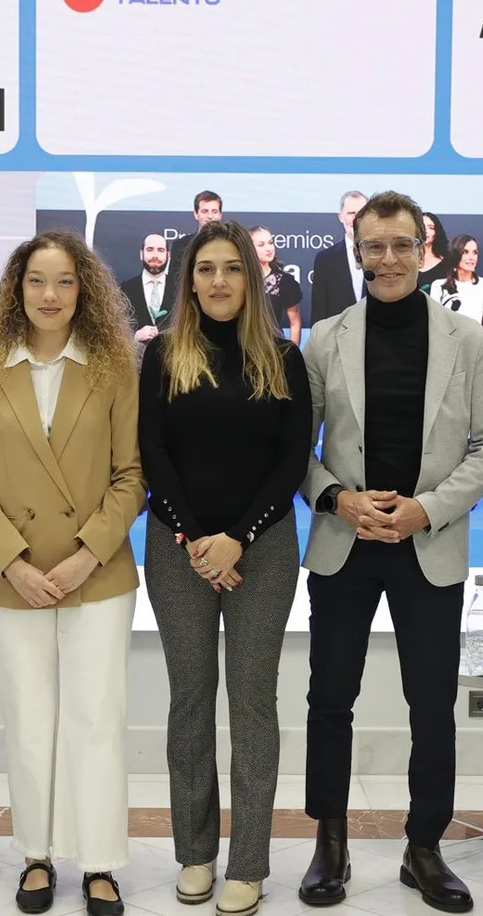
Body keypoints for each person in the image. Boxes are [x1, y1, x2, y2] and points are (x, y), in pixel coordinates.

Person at [298, 191, 483, 914]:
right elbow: (296, 450)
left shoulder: (468, 342)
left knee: (431, 706)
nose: (387, 258)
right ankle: (330, 840)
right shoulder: (324, 337)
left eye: (400, 245)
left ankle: (425, 847)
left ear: (425, 250)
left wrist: (426, 509)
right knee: (330, 699)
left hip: (428, 541)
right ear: (357, 251)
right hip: (345, 543)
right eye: (374, 245)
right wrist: (338, 500)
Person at [0, 230, 145, 916]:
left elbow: (132, 475)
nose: (50, 295)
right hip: (16, 577)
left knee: (96, 716)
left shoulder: (114, 366)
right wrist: (13, 560)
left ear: (84, 288)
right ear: (16, 289)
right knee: (29, 718)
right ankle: (36, 852)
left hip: (98, 571)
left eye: (65, 281)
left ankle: (99, 863)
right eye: (37, 281)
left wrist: (87, 553)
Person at [141, 222, 312, 916]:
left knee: (250, 702)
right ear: (189, 280)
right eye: (205, 268)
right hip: (177, 549)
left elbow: (290, 461)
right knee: (189, 700)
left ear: (252, 279)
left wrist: (237, 538)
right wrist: (193, 536)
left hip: (262, 550)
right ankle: (195, 853)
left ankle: (248, 862)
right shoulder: (161, 357)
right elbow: (153, 453)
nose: (218, 281)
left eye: (231, 269)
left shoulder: (283, 357)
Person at [307, 190, 367, 325]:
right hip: (337, 339)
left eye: (361, 213)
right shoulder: (325, 259)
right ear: (341, 217)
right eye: (351, 213)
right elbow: (319, 310)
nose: (356, 218)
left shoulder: (382, 255)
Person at [427, 234, 483, 342]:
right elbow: (435, 325)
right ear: (455, 254)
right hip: (446, 348)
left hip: (474, 349)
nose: (471, 257)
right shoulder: (438, 286)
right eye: (465, 252)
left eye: (475, 252)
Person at [166, 189, 226, 296]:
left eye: (214, 211)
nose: (210, 216)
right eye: (205, 211)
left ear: (220, 215)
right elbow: (173, 284)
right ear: (196, 214)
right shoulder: (180, 246)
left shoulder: (231, 245)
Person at [251, 225, 304, 343]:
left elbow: (295, 321)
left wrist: (292, 354)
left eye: (270, 243)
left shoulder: (284, 281)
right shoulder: (239, 280)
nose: (269, 248)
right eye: (261, 245)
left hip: (274, 350)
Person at [121, 233, 170, 349]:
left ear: (168, 255)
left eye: (160, 250)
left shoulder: (181, 288)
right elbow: (113, 330)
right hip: (136, 363)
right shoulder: (124, 289)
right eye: (150, 250)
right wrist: (135, 337)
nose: (155, 255)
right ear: (141, 254)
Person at [417, 212, 452, 289]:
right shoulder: (405, 260)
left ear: (436, 232)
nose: (426, 231)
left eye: (431, 227)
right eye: (422, 226)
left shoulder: (447, 263)